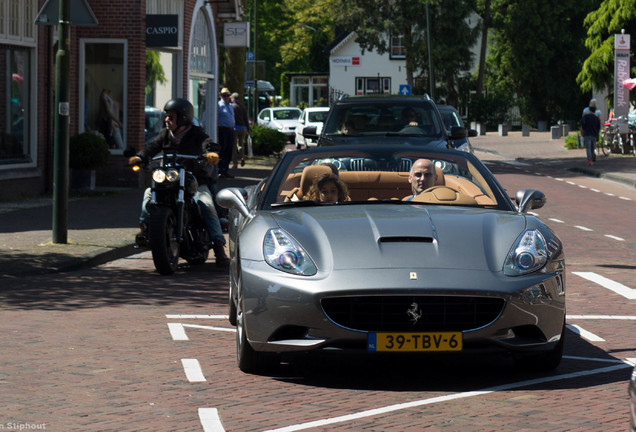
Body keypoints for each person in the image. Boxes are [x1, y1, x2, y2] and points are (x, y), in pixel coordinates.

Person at [128, 98, 229, 266]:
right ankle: (146, 230)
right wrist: (140, 157)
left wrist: (209, 153)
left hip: (194, 181)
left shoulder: (197, 134)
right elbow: (151, 147)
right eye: (166, 116)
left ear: (182, 118)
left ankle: (219, 247)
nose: (167, 120)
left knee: (205, 203)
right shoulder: (165, 135)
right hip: (168, 181)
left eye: (171, 117)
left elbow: (207, 144)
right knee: (148, 194)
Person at [217, 88, 235, 178]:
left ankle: (225, 170)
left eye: (228, 95)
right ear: (221, 96)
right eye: (224, 95)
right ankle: (220, 170)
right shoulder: (219, 105)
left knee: (229, 150)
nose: (226, 97)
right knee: (222, 150)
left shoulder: (230, 105)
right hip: (222, 130)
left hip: (230, 130)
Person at [230, 92, 249, 169]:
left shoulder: (232, 106)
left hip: (235, 128)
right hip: (243, 128)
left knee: (233, 146)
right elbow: (246, 118)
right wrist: (248, 128)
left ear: (233, 98)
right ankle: (242, 157)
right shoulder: (243, 106)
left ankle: (235, 163)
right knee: (241, 144)